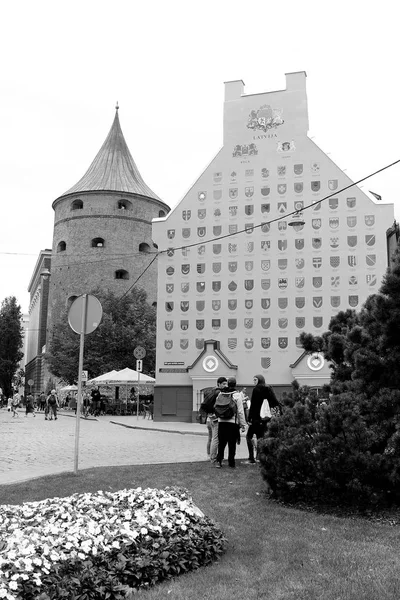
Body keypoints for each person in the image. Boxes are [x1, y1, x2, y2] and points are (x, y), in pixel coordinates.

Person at [246, 374, 280, 464]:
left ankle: (251, 457)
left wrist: (249, 418)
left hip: (256, 418)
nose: (253, 382)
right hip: (265, 418)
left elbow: (253, 405)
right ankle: (259, 457)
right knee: (260, 437)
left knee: (249, 436)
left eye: (255, 380)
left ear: (259, 380)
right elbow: (275, 402)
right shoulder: (269, 388)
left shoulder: (256, 389)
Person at [215, 377, 246, 469]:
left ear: (228, 384)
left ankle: (219, 461)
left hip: (221, 422)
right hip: (232, 422)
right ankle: (231, 463)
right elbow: (240, 411)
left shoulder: (221, 393)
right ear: (235, 384)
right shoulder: (237, 395)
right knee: (232, 444)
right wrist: (243, 424)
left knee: (221, 443)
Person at [203, 376, 228, 464]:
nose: (225, 385)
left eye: (226, 383)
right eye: (224, 384)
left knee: (210, 438)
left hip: (209, 418)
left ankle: (208, 455)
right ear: (219, 384)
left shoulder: (211, 391)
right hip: (215, 419)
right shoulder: (219, 393)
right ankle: (213, 458)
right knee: (216, 439)